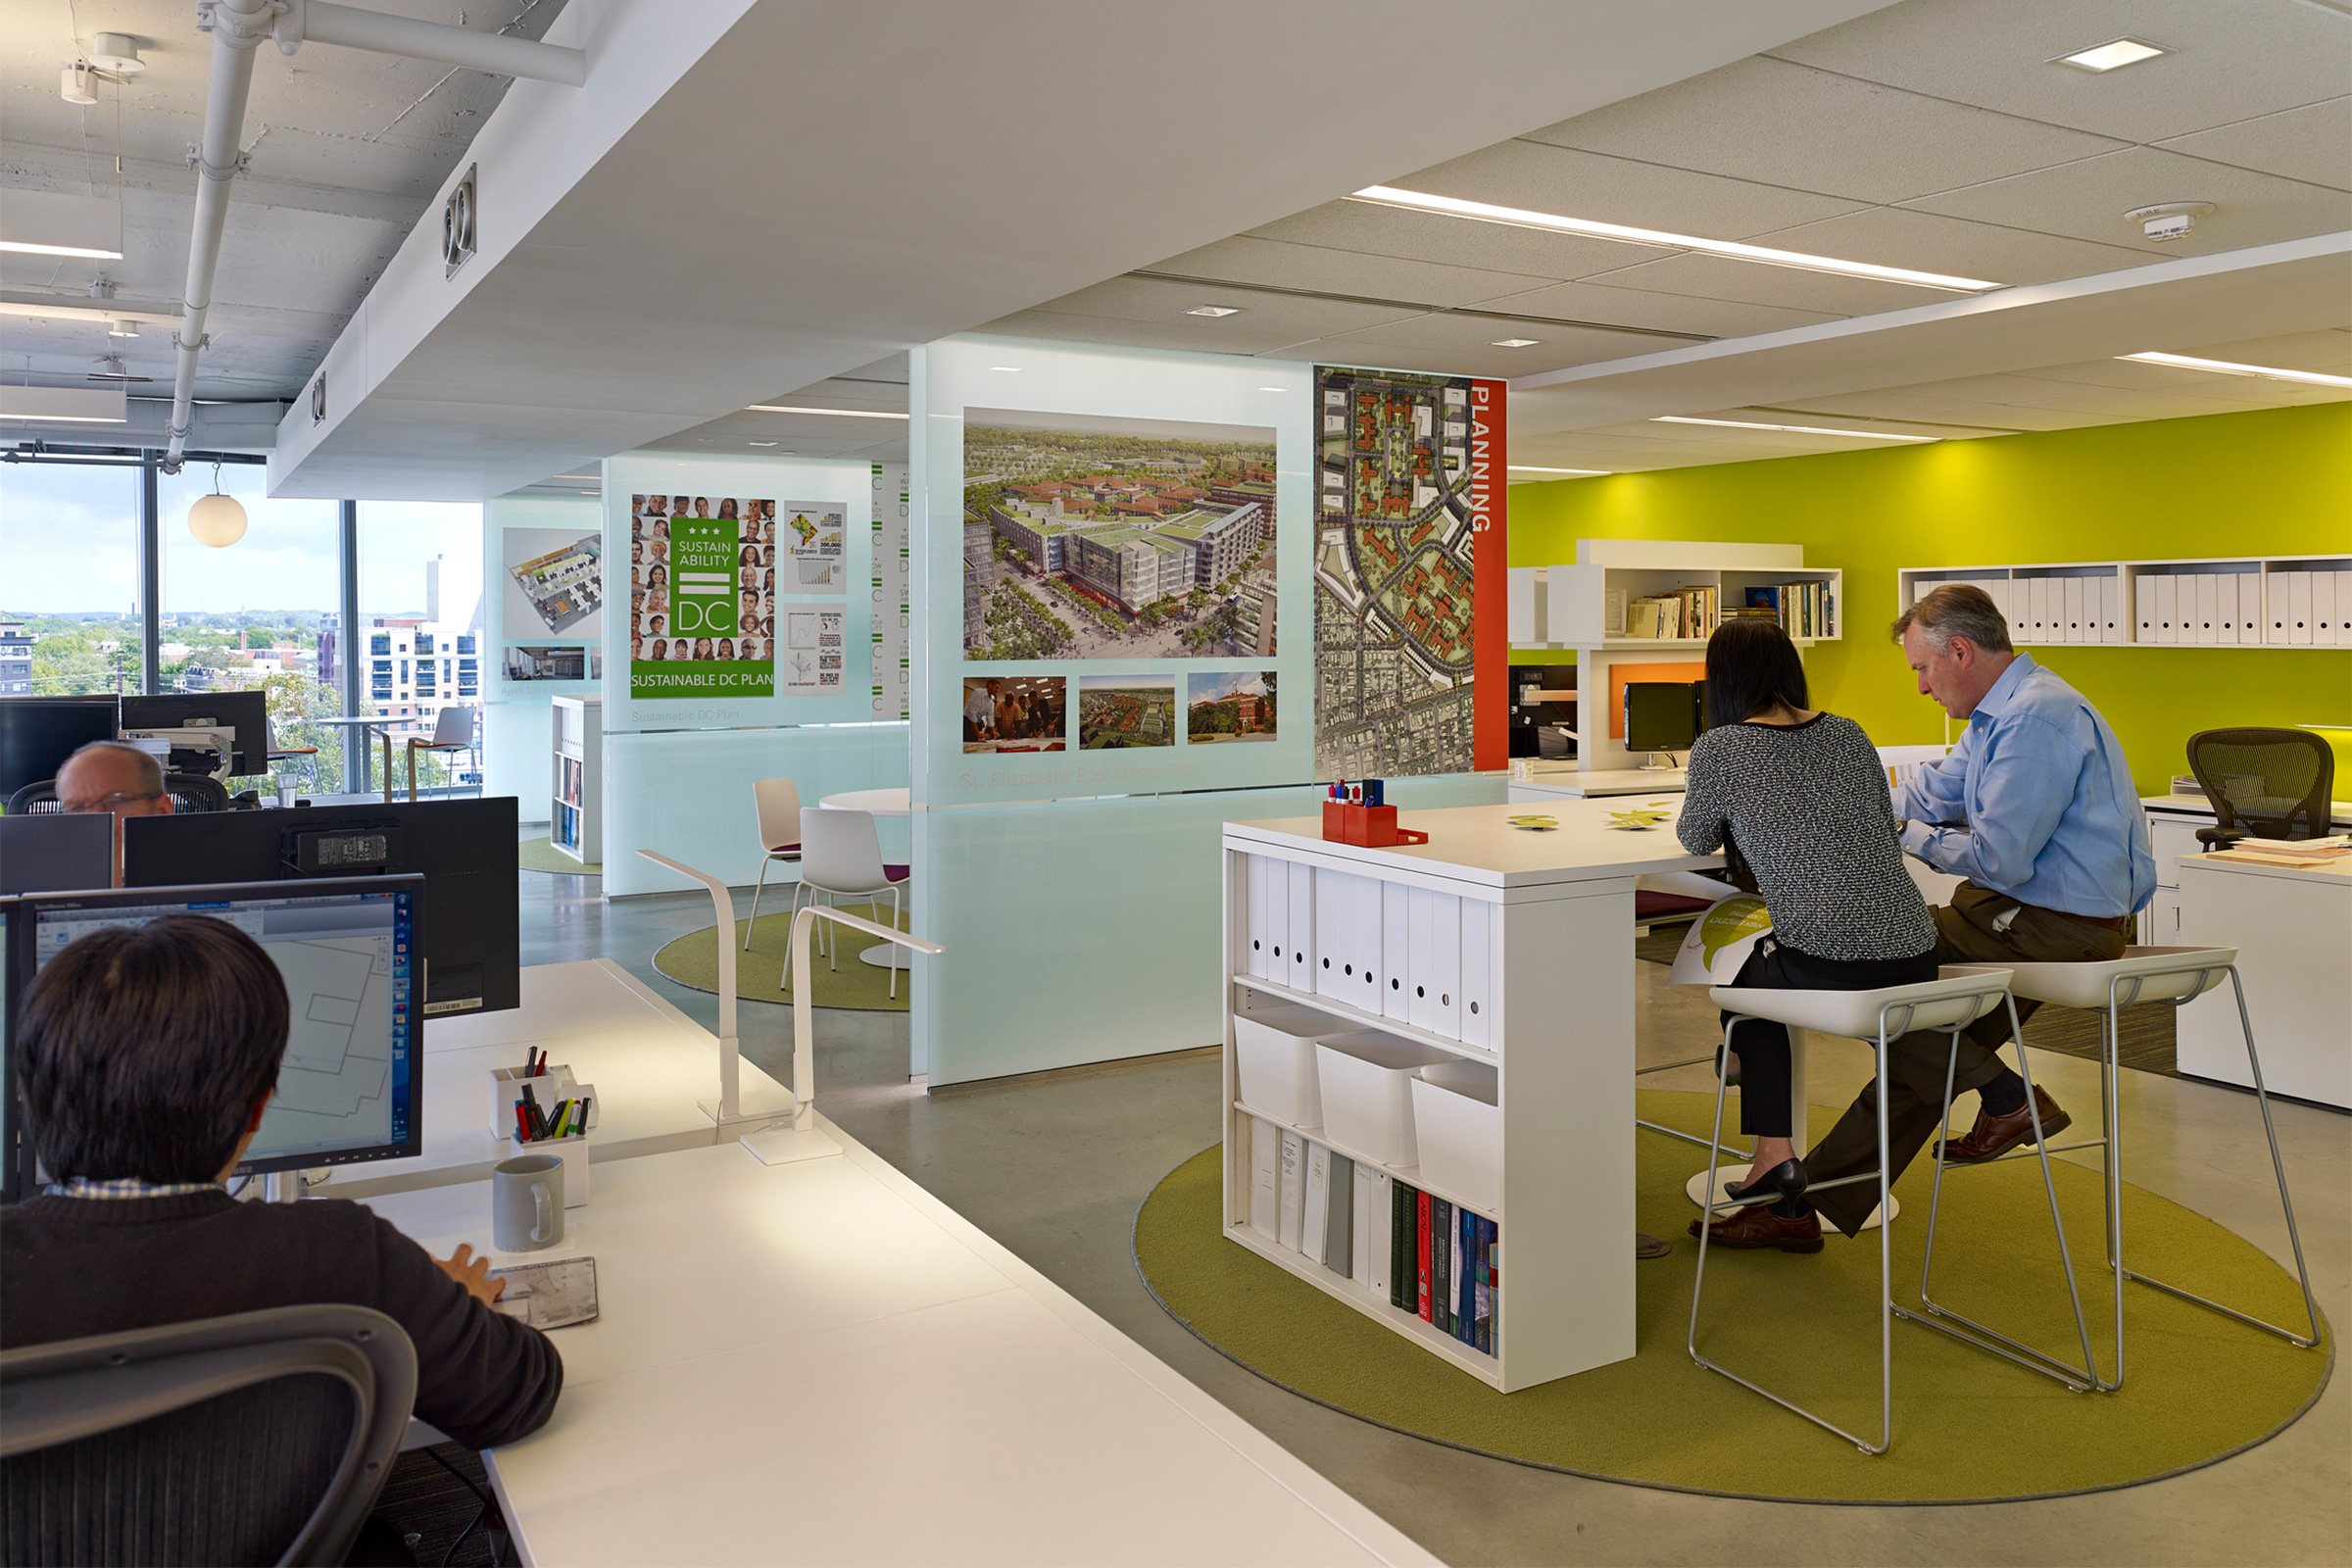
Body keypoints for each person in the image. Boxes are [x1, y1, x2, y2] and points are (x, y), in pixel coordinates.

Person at [0, 916, 562, 1450]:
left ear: (29, 1100)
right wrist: (455, 1310)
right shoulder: (339, 1254)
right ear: (258, 1109)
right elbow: (518, 1394)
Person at [1714, 585, 2156, 1248]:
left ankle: (2005, 1097)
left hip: (2046, 925)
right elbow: (1930, 793)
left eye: (1922, 668)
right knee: (1920, 1051)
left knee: (1858, 949)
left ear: (1961, 651)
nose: (1921, 686)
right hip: (2018, 916)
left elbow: (2001, 860)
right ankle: (1801, 1208)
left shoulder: (2035, 722)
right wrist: (1841, 797)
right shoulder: (2000, 716)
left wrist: (1891, 829)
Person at [1673, 622, 1939, 1250]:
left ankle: (1770, 1140)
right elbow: (1875, 822)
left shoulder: (1721, 747)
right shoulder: (1848, 732)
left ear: (1722, 681)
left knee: (1737, 980)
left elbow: (1694, 837)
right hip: (1916, 946)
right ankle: (1771, 1155)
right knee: (1755, 985)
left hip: (1834, 963)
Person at [55, 741, 175, 884]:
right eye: (77, 807)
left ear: (162, 810)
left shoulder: (194, 882)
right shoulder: (47, 885)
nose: (97, 816)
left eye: (115, 800)